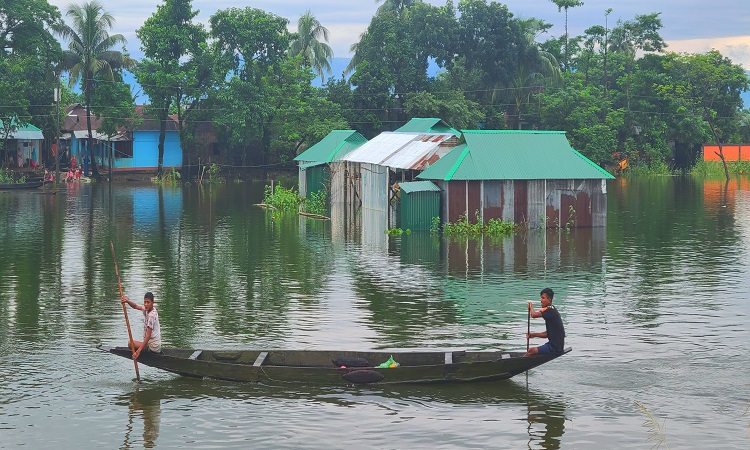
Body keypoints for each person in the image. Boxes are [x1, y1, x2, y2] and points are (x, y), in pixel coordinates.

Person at [525, 287, 565, 357]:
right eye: (541, 298)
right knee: (531, 351)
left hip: (555, 348)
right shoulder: (551, 310)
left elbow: (533, 315)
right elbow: (547, 334)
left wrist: (530, 307)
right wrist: (533, 335)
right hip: (554, 345)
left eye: (543, 298)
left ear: (549, 300)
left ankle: (520, 366)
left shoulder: (549, 310)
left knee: (531, 351)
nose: (541, 300)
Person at [121, 292, 162, 360]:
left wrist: (138, 352)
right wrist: (127, 301)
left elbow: (148, 336)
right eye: (145, 302)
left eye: (148, 302)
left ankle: (144, 350)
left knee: (130, 343)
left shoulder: (152, 315)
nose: (146, 304)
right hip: (151, 345)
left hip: (153, 347)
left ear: (152, 303)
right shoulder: (147, 309)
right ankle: (143, 348)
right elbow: (135, 306)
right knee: (132, 343)